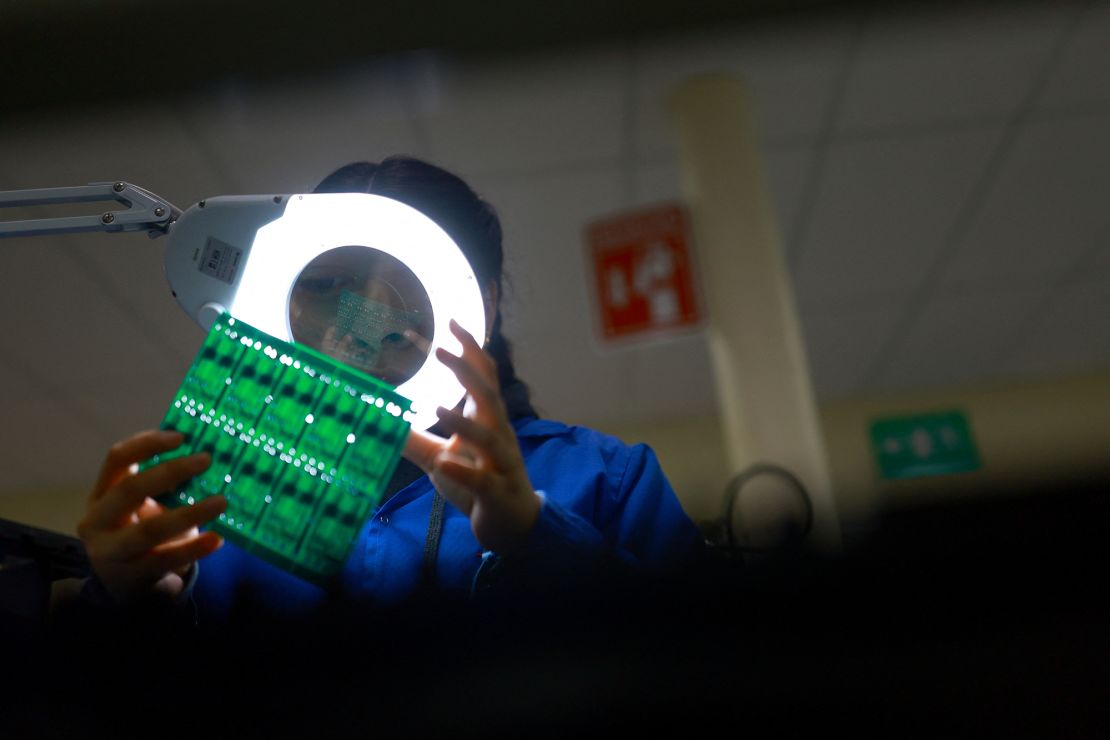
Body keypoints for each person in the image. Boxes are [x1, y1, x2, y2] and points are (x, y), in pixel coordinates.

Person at [71, 156, 706, 622]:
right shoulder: (215, 498)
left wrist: (536, 538)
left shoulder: (605, 481)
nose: (361, 324)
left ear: (477, 301)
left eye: (398, 290)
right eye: (328, 285)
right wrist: (124, 602)